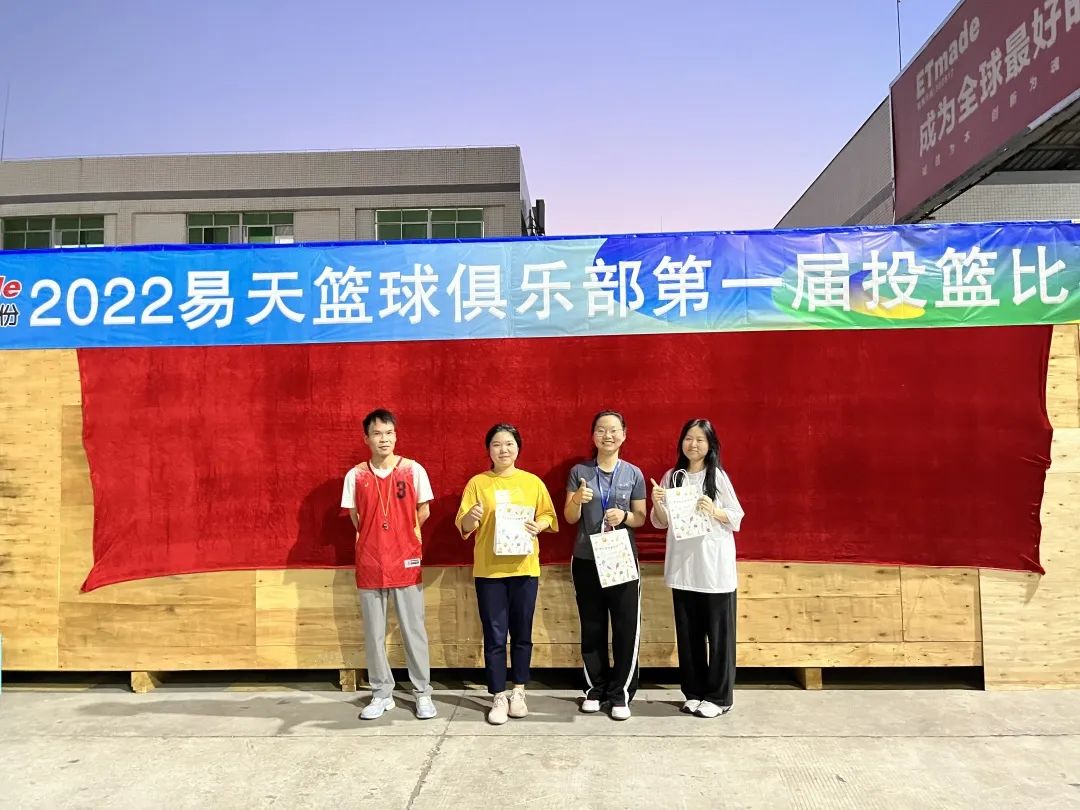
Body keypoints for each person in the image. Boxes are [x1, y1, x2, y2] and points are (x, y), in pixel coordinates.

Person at [455, 423, 558, 725]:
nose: (504, 449)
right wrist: (471, 517)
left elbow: (549, 515)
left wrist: (539, 525)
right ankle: (498, 695)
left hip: (525, 568)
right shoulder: (478, 483)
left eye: (509, 444)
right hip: (490, 572)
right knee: (495, 635)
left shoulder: (532, 482)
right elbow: (464, 526)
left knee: (522, 633)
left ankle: (519, 691)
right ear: (488, 450)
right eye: (497, 444)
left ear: (518, 448)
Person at [340, 408, 437, 721]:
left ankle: (422, 693)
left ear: (396, 436)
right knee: (374, 633)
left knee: (413, 630)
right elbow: (355, 516)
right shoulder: (356, 475)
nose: (384, 439)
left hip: (406, 559)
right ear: (366, 438)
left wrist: (403, 536)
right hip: (370, 560)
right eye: (377, 434)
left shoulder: (412, 470)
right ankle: (382, 693)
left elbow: (423, 511)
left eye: (389, 433)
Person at [649, 418, 745, 719]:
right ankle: (694, 692)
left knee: (719, 636)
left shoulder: (717, 477)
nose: (693, 444)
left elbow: (736, 516)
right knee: (688, 635)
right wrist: (658, 501)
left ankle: (719, 697)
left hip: (714, 569)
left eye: (700, 439)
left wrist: (715, 510)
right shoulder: (672, 477)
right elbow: (660, 521)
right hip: (683, 568)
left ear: (710, 444)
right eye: (688, 438)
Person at [564, 410, 647, 720]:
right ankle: (595, 689)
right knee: (592, 626)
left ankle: (620, 692)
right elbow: (569, 517)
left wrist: (624, 516)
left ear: (624, 434)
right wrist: (577, 499)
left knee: (625, 628)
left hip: (622, 559)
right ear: (593, 435)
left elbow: (640, 518)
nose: (607, 435)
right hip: (587, 559)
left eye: (613, 430)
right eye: (601, 429)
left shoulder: (633, 474)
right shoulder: (579, 471)